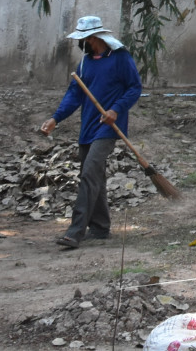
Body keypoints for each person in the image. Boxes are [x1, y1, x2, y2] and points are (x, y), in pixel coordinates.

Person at [41, 15, 143, 250]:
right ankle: (100, 227)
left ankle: (75, 231)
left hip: (107, 128)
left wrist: (116, 110)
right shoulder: (85, 63)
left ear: (93, 38)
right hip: (87, 127)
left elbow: (135, 87)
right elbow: (74, 94)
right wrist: (56, 118)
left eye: (82, 39)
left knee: (89, 173)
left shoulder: (120, 58)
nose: (80, 43)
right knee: (94, 176)